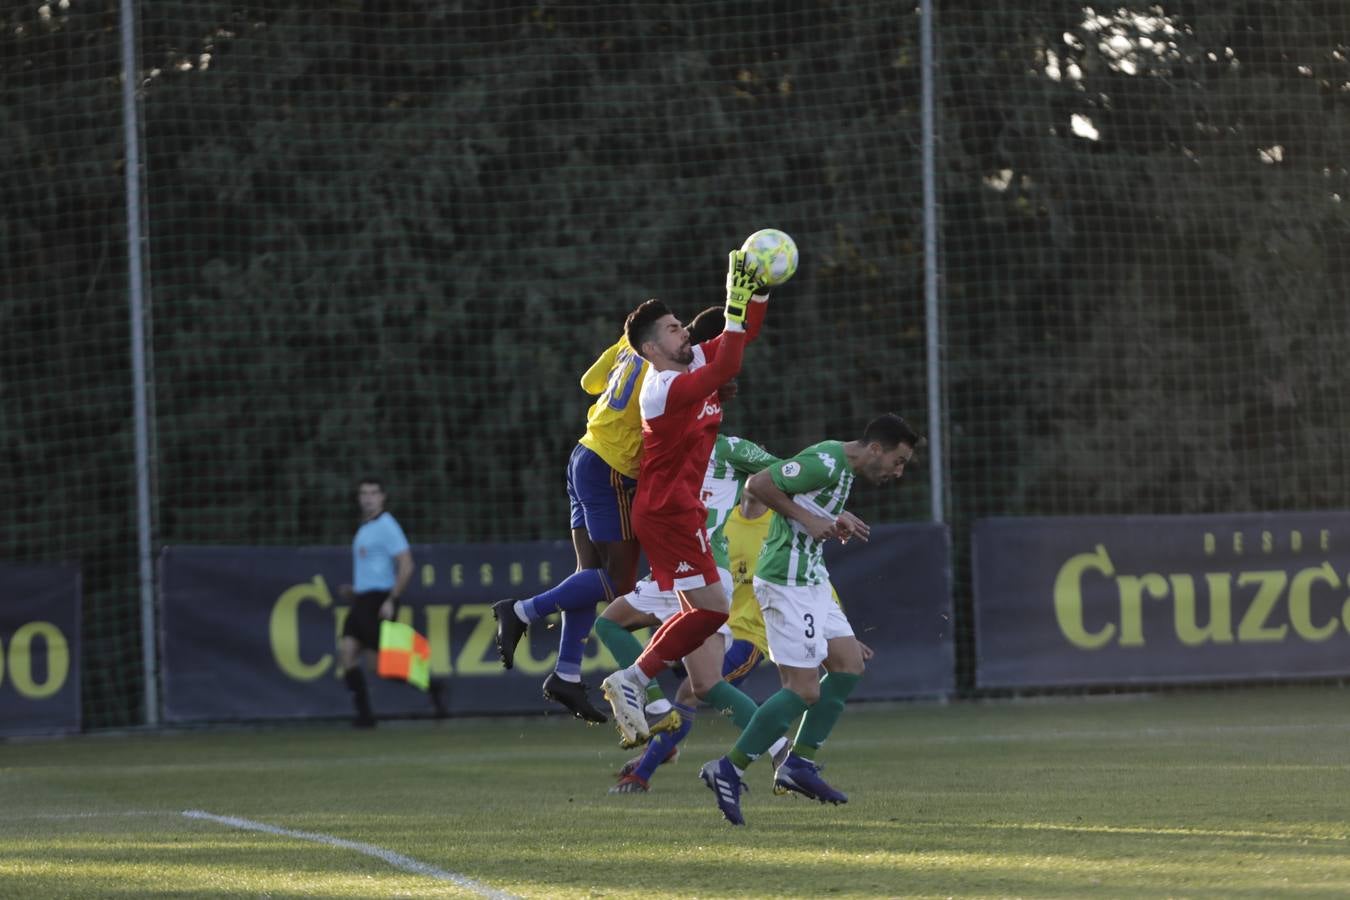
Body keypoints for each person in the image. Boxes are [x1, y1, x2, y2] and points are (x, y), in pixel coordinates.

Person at [700, 414, 923, 825]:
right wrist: (812, 519)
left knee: (847, 665)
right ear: (876, 448)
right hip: (786, 582)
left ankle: (798, 765)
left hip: (812, 578)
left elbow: (800, 498)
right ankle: (727, 769)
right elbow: (759, 483)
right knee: (803, 690)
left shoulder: (844, 472)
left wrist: (832, 518)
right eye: (898, 460)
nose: (899, 470)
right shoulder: (827, 461)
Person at [600, 249, 771, 745]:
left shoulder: (688, 357)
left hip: (680, 511)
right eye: (673, 328)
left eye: (680, 324)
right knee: (714, 611)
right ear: (652, 349)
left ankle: (634, 680)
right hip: (667, 511)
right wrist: (733, 305)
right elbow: (727, 366)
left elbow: (744, 339)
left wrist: (756, 291)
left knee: (708, 612)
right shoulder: (661, 388)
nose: (684, 332)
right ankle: (632, 679)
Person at [490, 305, 652, 724]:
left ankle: (565, 674)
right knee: (617, 581)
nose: (682, 338)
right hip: (612, 466)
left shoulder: (628, 345)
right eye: (675, 329)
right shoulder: (660, 361)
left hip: (583, 453)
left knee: (588, 575)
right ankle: (522, 610)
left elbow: (588, 383)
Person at [338, 477, 448, 728]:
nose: (368, 497)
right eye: (364, 493)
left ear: (382, 497)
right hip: (362, 600)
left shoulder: (387, 526)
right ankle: (365, 717)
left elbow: (407, 564)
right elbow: (375, 569)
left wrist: (392, 598)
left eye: (373, 493)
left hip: (378, 602)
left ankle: (434, 687)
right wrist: (355, 591)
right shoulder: (365, 528)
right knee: (347, 655)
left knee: (385, 665)